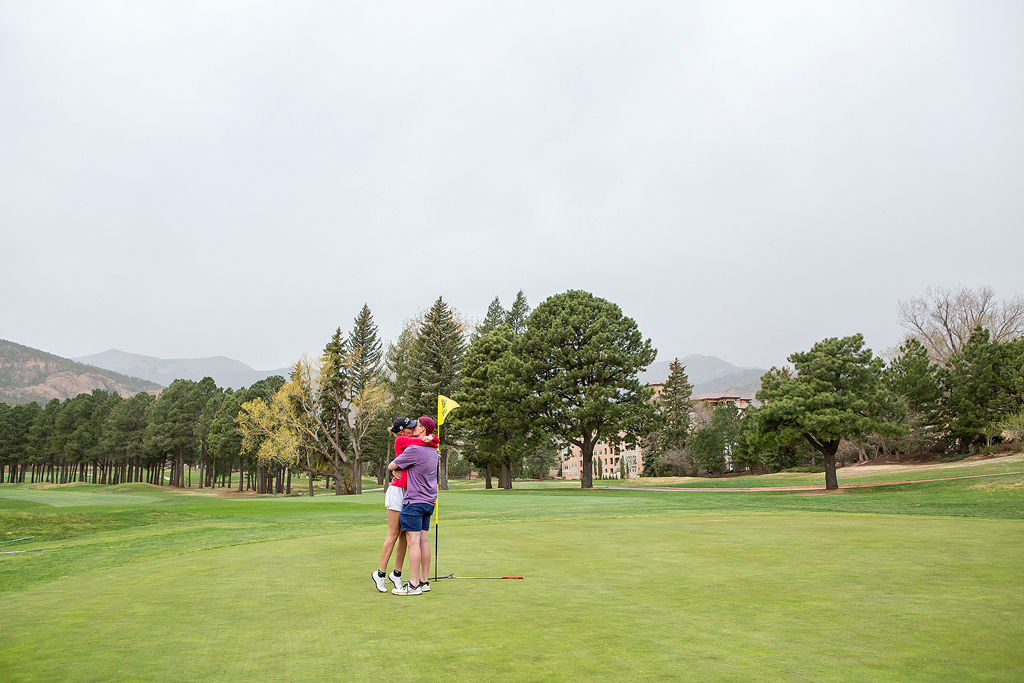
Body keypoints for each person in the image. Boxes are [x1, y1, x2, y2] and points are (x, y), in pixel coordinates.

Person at [372, 417, 438, 593]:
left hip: (409, 492)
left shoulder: (418, 446)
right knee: (394, 533)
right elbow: (391, 466)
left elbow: (428, 443)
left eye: (415, 426)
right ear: (402, 431)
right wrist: (432, 438)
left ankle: (397, 573)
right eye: (410, 427)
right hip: (398, 489)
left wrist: (432, 438)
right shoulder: (402, 440)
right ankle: (380, 573)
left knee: (405, 535)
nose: (413, 428)